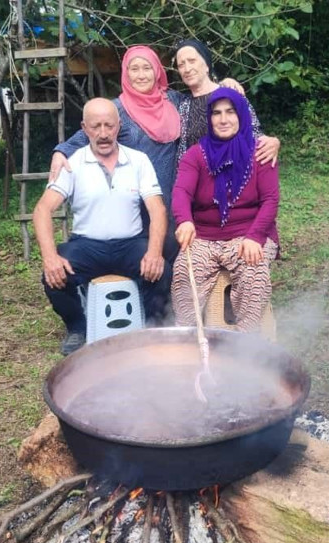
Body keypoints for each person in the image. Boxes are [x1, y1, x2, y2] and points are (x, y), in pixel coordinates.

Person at [49, 43, 280, 261]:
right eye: (134, 69)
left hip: (175, 196)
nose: (141, 75)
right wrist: (61, 151)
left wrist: (227, 85)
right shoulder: (119, 109)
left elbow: (226, 113)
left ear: (158, 72)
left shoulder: (175, 102)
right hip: (135, 199)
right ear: (125, 73)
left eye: (147, 68)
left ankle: (183, 301)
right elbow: (90, 131)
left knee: (174, 254)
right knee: (141, 258)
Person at [34, 98, 171, 355]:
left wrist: (154, 252)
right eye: (96, 127)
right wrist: (50, 257)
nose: (104, 133)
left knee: (161, 270)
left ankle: (154, 329)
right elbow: (43, 210)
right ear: (84, 129)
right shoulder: (72, 163)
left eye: (109, 125)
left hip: (130, 243)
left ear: (119, 126)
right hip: (87, 245)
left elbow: (157, 208)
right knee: (52, 275)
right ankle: (77, 326)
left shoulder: (138, 160)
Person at [171, 87, 279, 332]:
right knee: (183, 270)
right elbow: (181, 192)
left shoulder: (260, 152)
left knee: (253, 269)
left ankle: (245, 343)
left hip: (249, 232)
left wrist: (255, 237)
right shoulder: (196, 155)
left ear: (241, 115)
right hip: (205, 236)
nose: (223, 119)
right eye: (216, 113)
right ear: (209, 118)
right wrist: (184, 221)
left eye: (230, 112)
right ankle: (186, 337)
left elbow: (271, 200)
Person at [173, 39, 280, 166]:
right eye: (181, 65)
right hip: (197, 181)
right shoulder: (183, 105)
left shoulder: (231, 94)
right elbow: (182, 151)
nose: (187, 69)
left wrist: (273, 142)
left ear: (207, 65)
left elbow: (253, 132)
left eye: (192, 61)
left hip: (232, 176)